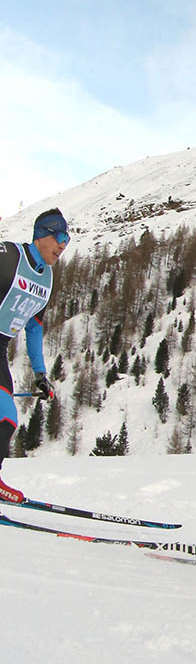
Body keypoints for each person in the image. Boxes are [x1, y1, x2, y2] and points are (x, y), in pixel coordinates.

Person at [0, 209, 68, 503]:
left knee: (7, 420)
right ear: (43, 234)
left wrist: (40, 374)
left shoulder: (47, 278)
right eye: (60, 237)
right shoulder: (9, 255)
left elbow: (34, 328)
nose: (63, 246)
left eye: (67, 240)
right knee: (5, 417)